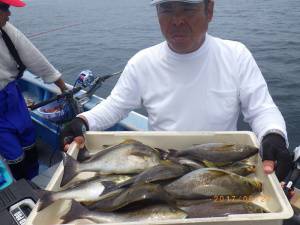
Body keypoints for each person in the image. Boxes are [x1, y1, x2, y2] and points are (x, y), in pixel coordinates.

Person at [61, 0, 293, 181]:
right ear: (157, 14)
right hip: (162, 165)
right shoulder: (143, 62)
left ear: (209, 10)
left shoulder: (236, 55)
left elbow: (262, 109)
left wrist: (273, 135)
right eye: (167, 9)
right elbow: (115, 106)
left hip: (222, 166)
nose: (177, 20)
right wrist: (82, 121)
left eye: (188, 8)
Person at [0, 0, 67, 180]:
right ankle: (22, 186)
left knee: (28, 138)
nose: (9, 14)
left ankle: (34, 178)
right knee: (13, 153)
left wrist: (62, 85)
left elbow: (34, 57)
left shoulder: (7, 31)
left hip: (12, 96)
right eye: (5, 8)